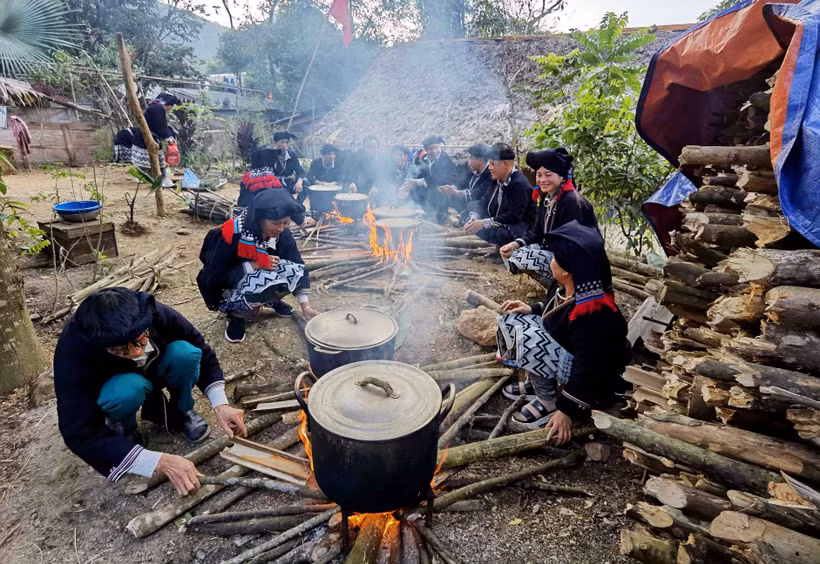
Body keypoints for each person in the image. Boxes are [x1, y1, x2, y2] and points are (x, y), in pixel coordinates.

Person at [54, 287, 247, 496]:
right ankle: (123, 427)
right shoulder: (74, 349)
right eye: (120, 350)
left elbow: (202, 350)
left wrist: (221, 404)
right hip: (118, 385)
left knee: (186, 354)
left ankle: (181, 411)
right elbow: (78, 431)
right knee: (127, 391)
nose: (137, 353)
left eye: (141, 340)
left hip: (157, 368)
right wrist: (158, 461)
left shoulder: (151, 311)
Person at [497, 221, 630, 442]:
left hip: (596, 378)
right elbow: (553, 309)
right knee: (514, 321)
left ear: (567, 272)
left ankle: (549, 402)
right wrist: (532, 308)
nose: (551, 260)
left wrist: (567, 409)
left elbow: (587, 365)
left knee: (528, 338)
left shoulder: (593, 314)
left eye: (555, 258)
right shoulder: (568, 285)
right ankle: (541, 383)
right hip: (569, 353)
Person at [197, 189, 320, 343]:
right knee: (264, 278)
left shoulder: (282, 234)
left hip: (258, 277)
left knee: (293, 270)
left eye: (286, 223)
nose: (281, 228)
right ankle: (236, 315)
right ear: (259, 219)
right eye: (275, 223)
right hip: (227, 286)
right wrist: (253, 265)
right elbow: (215, 278)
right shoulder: (230, 236)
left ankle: (270, 300)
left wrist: (305, 307)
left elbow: (298, 264)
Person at [500, 148, 598, 287]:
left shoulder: (572, 202)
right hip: (555, 251)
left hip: (577, 259)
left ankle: (566, 288)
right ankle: (554, 288)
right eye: (539, 175)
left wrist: (558, 262)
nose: (542, 180)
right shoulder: (547, 198)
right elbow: (537, 230)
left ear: (562, 176)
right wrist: (515, 244)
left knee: (523, 257)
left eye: (548, 174)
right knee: (512, 253)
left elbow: (577, 244)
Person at [464, 142, 536, 246]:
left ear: (505, 163)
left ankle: (513, 249)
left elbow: (514, 216)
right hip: (503, 222)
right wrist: (475, 217)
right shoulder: (496, 180)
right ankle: (500, 247)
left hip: (523, 226)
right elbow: (484, 201)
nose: (489, 167)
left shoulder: (519, 184)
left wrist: (484, 223)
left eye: (492, 164)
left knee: (502, 233)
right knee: (473, 223)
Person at [399, 136, 458, 221]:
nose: (434, 151)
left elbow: (441, 178)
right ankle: (420, 211)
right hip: (429, 192)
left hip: (445, 192)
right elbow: (417, 174)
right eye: (431, 148)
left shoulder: (444, 158)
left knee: (436, 190)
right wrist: (408, 186)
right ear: (425, 150)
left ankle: (439, 217)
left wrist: (416, 182)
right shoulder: (423, 159)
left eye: (437, 147)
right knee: (415, 191)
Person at [131, 92, 181, 188]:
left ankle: (141, 176)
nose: (171, 108)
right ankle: (163, 179)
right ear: (168, 105)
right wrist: (168, 138)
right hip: (148, 137)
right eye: (172, 106)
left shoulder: (154, 106)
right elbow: (160, 126)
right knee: (159, 158)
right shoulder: (158, 109)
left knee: (149, 158)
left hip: (144, 136)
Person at [438, 143, 493, 220]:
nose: (469, 160)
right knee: (449, 196)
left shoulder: (490, 173)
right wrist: (452, 188)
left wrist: (456, 192)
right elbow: (462, 182)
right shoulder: (473, 170)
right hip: (469, 200)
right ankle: (458, 217)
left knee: (472, 205)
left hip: (483, 204)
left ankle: (468, 220)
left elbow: (480, 192)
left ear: (480, 160)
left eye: (471, 158)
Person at [271, 131, 308, 203]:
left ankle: (298, 204)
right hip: (274, 184)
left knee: (306, 184)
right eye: (282, 142)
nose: (285, 145)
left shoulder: (292, 154)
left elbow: (299, 170)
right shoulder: (269, 155)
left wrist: (299, 182)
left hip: (288, 182)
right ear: (275, 143)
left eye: (287, 142)